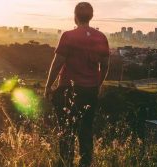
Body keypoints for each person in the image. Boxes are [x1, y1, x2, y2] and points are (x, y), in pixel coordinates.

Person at [43, 2, 110, 167]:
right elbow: (106, 65)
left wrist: (48, 86)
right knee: (86, 130)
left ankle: (66, 163)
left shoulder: (68, 36)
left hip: (68, 89)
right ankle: (85, 163)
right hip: (90, 91)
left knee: (66, 131)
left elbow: (58, 62)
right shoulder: (101, 37)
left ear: (75, 16)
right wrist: (97, 84)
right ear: (91, 16)